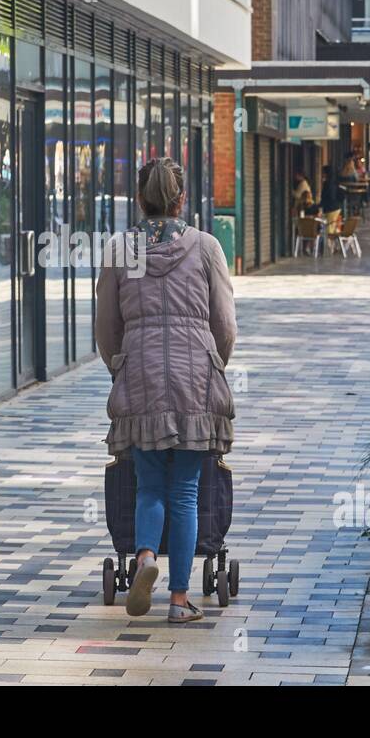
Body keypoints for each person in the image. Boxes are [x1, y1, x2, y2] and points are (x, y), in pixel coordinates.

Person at [94, 158, 237, 623]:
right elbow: (225, 326)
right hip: (195, 381)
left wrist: (121, 367)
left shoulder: (121, 250)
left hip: (140, 380)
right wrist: (215, 363)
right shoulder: (206, 247)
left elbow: (106, 328)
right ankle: (179, 601)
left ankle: (146, 559)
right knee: (187, 490)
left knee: (148, 484)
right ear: (181, 199)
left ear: (140, 198)